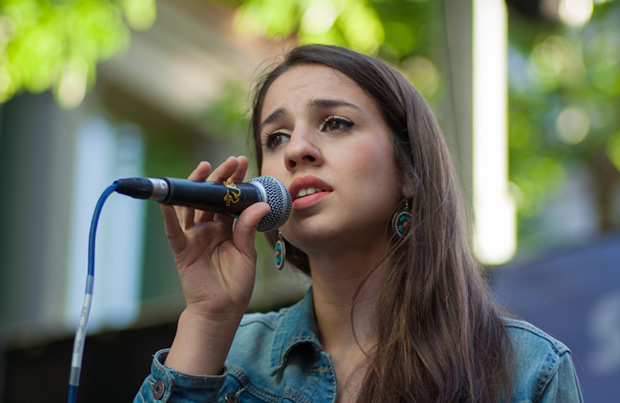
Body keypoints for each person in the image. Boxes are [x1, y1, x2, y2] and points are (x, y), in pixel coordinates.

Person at [135, 44, 583, 402]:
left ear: (409, 170)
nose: (296, 151)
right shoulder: (228, 358)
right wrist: (207, 318)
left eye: (334, 123)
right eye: (277, 138)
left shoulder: (525, 370)